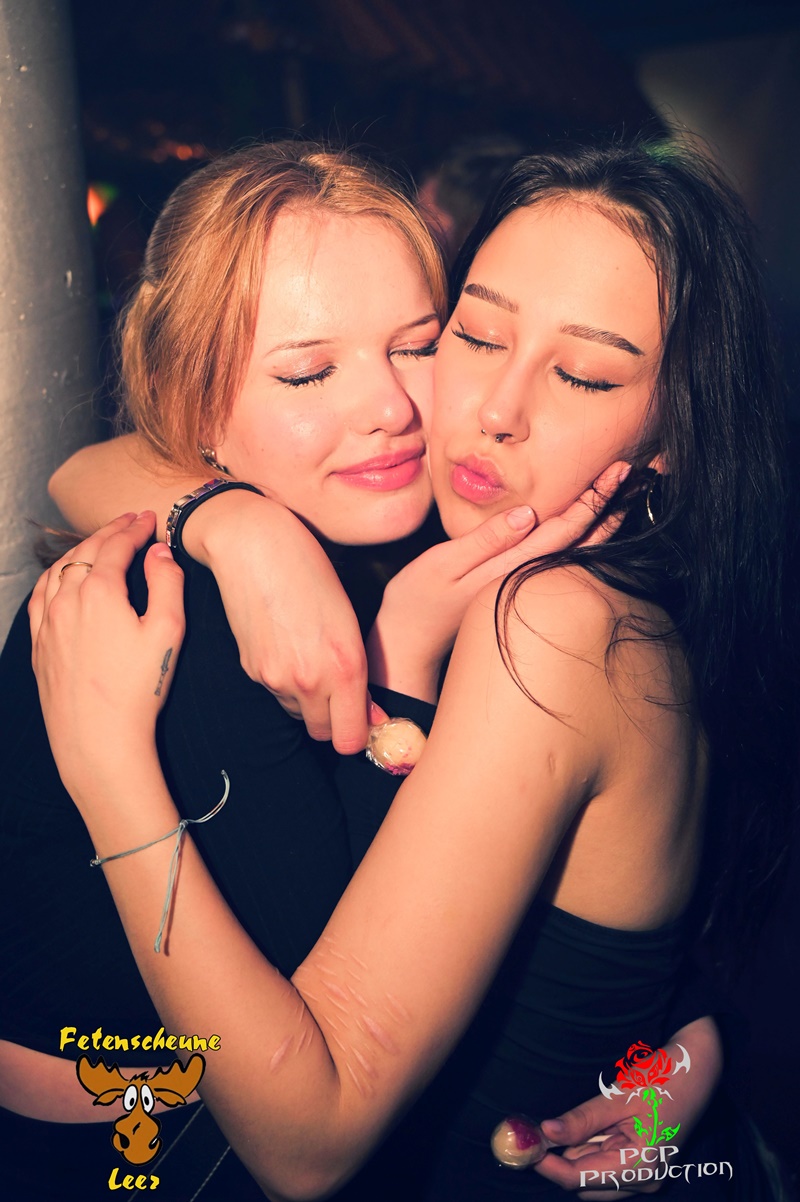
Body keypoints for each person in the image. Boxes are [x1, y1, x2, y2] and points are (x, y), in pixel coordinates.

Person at [28, 140, 791, 1199]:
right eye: (474, 337)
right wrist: (239, 527)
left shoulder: (553, 621)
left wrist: (107, 766)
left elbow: (307, 1132)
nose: (491, 408)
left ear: (675, 432)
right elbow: (87, 469)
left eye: (582, 372)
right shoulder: (421, 555)